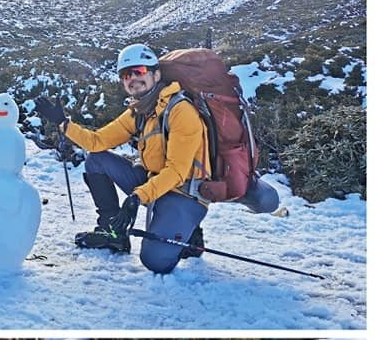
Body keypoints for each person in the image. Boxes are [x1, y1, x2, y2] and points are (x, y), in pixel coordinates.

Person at [35, 43, 279, 273]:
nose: (132, 79)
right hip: (154, 181)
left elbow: (177, 172)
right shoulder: (139, 111)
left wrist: (137, 197)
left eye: (138, 71)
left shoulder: (181, 111)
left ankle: (191, 234)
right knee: (96, 159)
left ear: (156, 74)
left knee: (156, 261)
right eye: (125, 75)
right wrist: (62, 123)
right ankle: (113, 232)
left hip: (185, 192)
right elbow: (97, 142)